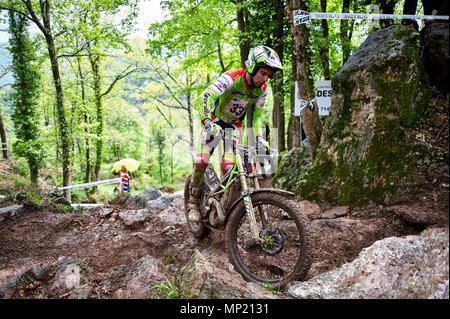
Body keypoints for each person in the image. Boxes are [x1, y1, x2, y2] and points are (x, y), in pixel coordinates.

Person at [187, 45, 283, 223]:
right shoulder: (232, 78)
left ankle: (223, 203)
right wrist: (207, 121)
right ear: (252, 67)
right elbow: (206, 95)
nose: (265, 78)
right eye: (263, 73)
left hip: (233, 126)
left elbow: (256, 118)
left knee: (230, 165)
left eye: (268, 75)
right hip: (215, 121)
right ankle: (193, 202)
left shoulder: (262, 89)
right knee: (202, 160)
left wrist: (260, 138)